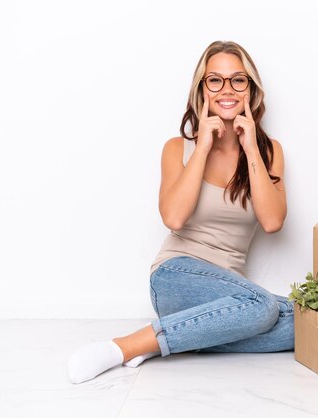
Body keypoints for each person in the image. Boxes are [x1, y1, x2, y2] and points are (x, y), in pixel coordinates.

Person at [67, 40, 293, 384]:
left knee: (305, 325)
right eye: (214, 80)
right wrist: (202, 146)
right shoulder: (179, 148)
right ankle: (123, 347)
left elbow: (273, 221)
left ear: (251, 89)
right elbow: (173, 218)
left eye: (238, 80)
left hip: (230, 296)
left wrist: (250, 147)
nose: (226, 89)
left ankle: (173, 338)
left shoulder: (268, 151)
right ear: (201, 89)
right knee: (264, 308)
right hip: (177, 276)